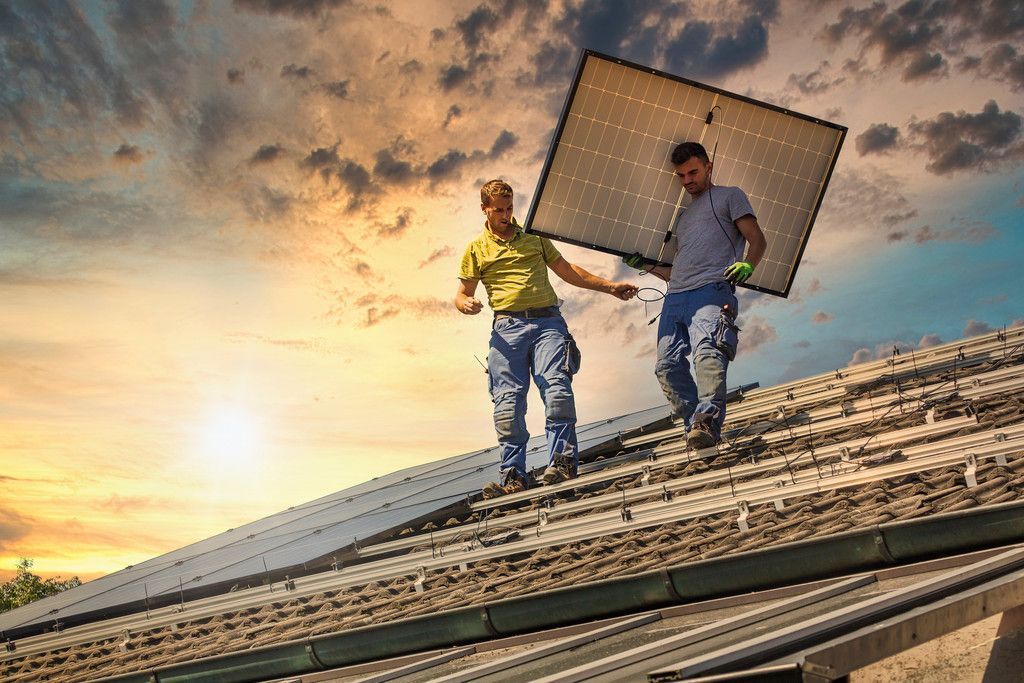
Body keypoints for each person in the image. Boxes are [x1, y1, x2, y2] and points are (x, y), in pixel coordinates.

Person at [456, 179, 638, 498]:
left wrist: (610, 287)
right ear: (484, 209)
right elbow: (461, 294)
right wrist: (465, 304)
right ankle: (513, 474)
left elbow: (567, 271)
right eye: (498, 209)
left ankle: (563, 461)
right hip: (506, 330)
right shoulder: (475, 250)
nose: (505, 214)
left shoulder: (534, 238)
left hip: (547, 322)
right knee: (507, 404)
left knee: (557, 390)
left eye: (510, 208)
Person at [625, 142, 767, 449]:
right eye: (681, 175)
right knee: (667, 366)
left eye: (693, 172)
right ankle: (695, 429)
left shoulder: (730, 195)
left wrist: (748, 265)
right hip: (675, 297)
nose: (688, 180)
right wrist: (646, 265)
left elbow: (757, 239)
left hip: (712, 289)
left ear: (708, 167)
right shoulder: (683, 218)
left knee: (707, 351)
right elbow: (677, 271)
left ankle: (708, 419)